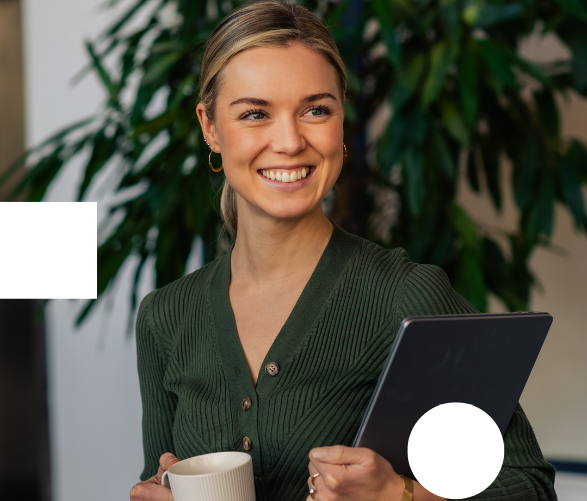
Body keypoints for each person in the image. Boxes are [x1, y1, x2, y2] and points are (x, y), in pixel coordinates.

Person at [128, 1, 556, 500]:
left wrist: (400, 496)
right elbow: (156, 478)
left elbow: (528, 487)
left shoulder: (404, 296)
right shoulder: (165, 318)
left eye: (316, 110)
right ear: (210, 127)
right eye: (254, 114)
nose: (289, 141)